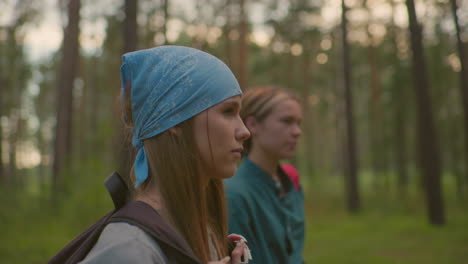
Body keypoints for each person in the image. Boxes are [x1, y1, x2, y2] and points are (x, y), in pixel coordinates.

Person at [80, 46, 252, 264]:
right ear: (176, 120)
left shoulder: (199, 230)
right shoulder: (129, 248)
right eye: (228, 111)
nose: (245, 131)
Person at [225, 86, 305, 264]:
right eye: (287, 121)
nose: (297, 131)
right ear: (252, 125)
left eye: (298, 123)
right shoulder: (235, 196)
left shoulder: (290, 185)